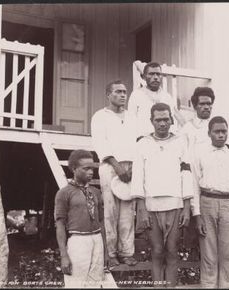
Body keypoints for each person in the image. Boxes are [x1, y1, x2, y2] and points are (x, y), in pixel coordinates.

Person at [131, 103, 193, 287]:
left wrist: (187, 207)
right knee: (157, 250)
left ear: (172, 120)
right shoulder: (142, 143)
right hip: (151, 205)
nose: (162, 123)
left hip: (175, 204)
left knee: (172, 250)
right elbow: (138, 175)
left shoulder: (181, 142)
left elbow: (187, 173)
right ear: (151, 121)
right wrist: (141, 207)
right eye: (158, 120)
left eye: (166, 119)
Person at [191, 116, 229, 288]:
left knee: (228, 254)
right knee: (209, 254)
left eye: (224, 131)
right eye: (217, 131)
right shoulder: (200, 154)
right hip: (207, 202)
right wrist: (197, 214)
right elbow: (194, 185)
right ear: (209, 133)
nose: (221, 135)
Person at [91, 80, 138, 267]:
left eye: (125, 92)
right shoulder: (100, 116)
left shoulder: (132, 117)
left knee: (127, 211)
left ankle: (127, 252)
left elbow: (139, 142)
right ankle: (111, 253)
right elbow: (100, 142)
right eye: (118, 92)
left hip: (131, 167)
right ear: (108, 95)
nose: (123, 95)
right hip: (110, 165)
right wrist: (117, 166)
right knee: (110, 211)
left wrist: (134, 167)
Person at [54, 150, 107, 288]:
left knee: (95, 283)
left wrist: (105, 251)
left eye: (92, 168)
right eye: (86, 168)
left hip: (97, 240)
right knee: (75, 284)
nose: (91, 172)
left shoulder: (96, 192)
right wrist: (64, 255)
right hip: (78, 241)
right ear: (74, 169)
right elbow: (60, 225)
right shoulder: (64, 193)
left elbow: (101, 222)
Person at [128, 62, 182, 138]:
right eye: (151, 74)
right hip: (143, 139)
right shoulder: (136, 95)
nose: (155, 77)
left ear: (161, 76)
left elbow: (172, 121)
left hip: (164, 140)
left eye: (158, 74)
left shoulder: (167, 96)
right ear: (144, 77)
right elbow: (131, 120)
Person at [180, 87, 215, 152]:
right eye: (202, 104)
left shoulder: (217, 126)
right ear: (195, 106)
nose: (206, 107)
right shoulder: (187, 129)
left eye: (209, 104)